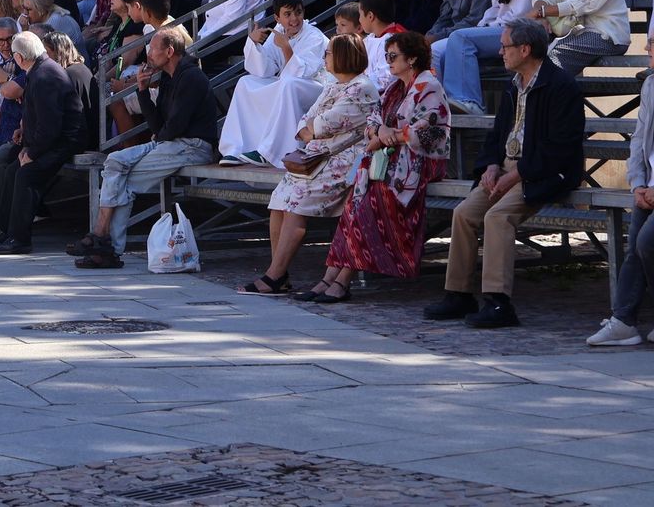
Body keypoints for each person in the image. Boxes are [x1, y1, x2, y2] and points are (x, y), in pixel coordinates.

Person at [424, 19, 584, 328]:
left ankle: (499, 303)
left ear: (525, 49)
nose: (500, 52)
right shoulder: (515, 85)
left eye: (505, 46)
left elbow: (559, 148)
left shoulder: (561, 85)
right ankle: (459, 294)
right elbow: (498, 135)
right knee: (464, 213)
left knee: (497, 218)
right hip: (509, 170)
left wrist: (517, 174)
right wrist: (491, 166)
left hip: (544, 174)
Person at [316, 31, 451, 303]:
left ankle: (342, 280)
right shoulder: (392, 87)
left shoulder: (429, 87)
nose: (388, 61)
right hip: (386, 161)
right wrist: (380, 132)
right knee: (353, 206)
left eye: (393, 56)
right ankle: (329, 277)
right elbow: (372, 122)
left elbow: (430, 133)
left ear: (411, 58)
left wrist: (391, 135)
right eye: (387, 56)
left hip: (417, 162)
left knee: (368, 206)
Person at [241, 35, 376, 296]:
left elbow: (325, 124)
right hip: (314, 158)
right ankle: (278, 272)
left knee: (295, 204)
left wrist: (312, 130)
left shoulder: (362, 88)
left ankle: (274, 275)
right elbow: (306, 120)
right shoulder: (333, 85)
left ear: (344, 56)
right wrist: (311, 129)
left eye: (329, 53)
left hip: (342, 160)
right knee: (279, 201)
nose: (325, 58)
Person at [73, 25, 216, 267]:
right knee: (115, 161)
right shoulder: (168, 78)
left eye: (153, 50)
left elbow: (175, 126)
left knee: (124, 180)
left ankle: (106, 247)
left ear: (169, 51)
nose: (148, 54)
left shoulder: (191, 77)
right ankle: (100, 238)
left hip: (192, 146)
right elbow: (158, 125)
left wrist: (158, 136)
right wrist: (142, 90)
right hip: (169, 142)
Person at [0, 31, 85, 255]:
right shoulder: (38, 70)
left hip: (65, 140)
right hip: (48, 139)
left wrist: (31, 153)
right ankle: (5, 232)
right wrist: (22, 135)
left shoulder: (45, 75)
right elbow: (36, 116)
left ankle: (20, 239)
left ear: (19, 57)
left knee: (26, 174)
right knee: (10, 170)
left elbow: (51, 126)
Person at [587, 35, 654, 344]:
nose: (646, 48)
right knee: (635, 248)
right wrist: (639, 183)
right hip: (649, 187)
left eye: (653, 42)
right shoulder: (651, 85)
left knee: (647, 241)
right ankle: (624, 321)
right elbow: (639, 140)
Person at [219, 0, 327, 167]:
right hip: (289, 82)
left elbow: (304, 72)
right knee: (246, 82)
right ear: (277, 18)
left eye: (298, 12)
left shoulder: (314, 35)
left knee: (288, 84)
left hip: (315, 86)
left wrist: (286, 48)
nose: (294, 19)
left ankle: (271, 152)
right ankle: (238, 148)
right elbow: (265, 69)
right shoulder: (279, 32)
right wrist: (255, 43)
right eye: (288, 14)